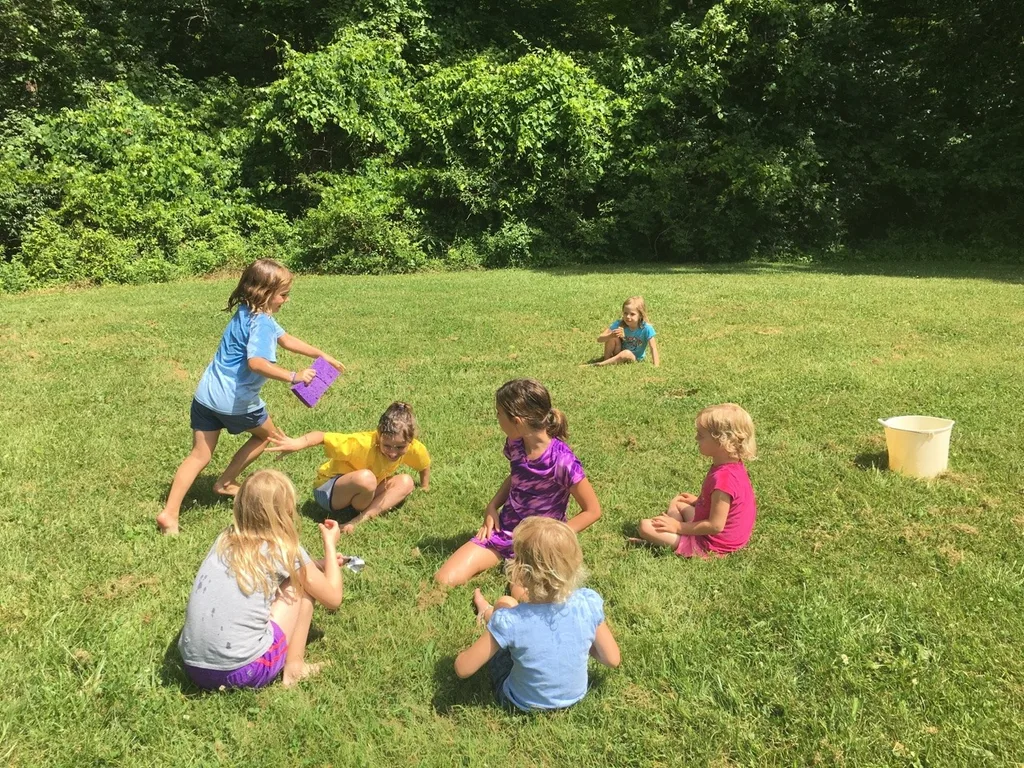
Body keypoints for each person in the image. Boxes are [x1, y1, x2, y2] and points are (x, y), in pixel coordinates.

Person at [157, 259, 344, 535]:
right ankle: (225, 482)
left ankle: (169, 513)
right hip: (235, 401)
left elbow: (286, 339)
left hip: (206, 396)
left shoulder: (249, 312)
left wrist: (319, 354)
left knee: (199, 455)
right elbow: (257, 362)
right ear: (264, 293)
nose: (286, 300)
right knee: (266, 435)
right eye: (283, 294)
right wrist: (295, 376)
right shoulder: (262, 324)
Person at [178, 469, 344, 689]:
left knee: (298, 575)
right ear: (285, 512)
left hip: (193, 667)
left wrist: (315, 564)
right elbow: (333, 598)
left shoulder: (225, 538)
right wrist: (330, 546)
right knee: (300, 583)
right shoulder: (285, 549)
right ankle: (295, 669)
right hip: (243, 671)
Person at [435, 379, 600, 588]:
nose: (496, 418)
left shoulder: (562, 461)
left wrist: (552, 539)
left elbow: (592, 510)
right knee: (444, 579)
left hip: (537, 544)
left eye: (499, 414)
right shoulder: (516, 443)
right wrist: (492, 506)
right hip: (504, 532)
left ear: (517, 421)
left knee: (523, 596)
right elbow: (516, 476)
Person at [454, 517, 621, 711]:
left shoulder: (511, 621)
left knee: (505, 604)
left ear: (520, 572)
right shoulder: (587, 603)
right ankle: (492, 612)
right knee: (509, 606)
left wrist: (457, 657)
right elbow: (612, 659)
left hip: (519, 701)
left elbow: (463, 669)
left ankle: (487, 612)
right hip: (575, 697)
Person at [268, 402, 430, 534]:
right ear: (379, 435)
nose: (393, 453)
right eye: (387, 446)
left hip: (366, 490)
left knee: (406, 481)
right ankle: (362, 505)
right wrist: (297, 443)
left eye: (400, 447)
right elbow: (322, 437)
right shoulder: (360, 443)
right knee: (366, 478)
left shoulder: (413, 447)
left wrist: (424, 486)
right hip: (329, 491)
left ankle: (359, 520)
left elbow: (423, 465)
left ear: (410, 441)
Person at [634, 403, 757, 557]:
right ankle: (672, 534)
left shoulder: (724, 480)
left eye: (701, 435)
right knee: (679, 503)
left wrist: (678, 526)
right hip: (726, 536)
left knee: (645, 526)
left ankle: (678, 540)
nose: (696, 438)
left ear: (722, 441)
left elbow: (715, 526)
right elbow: (728, 505)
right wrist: (700, 500)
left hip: (714, 544)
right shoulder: (731, 466)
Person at [592, 296, 660, 366]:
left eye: (632, 314)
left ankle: (600, 364)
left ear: (640, 315)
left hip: (634, 357)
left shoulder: (646, 328)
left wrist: (656, 366)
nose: (628, 316)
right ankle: (606, 360)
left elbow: (653, 347)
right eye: (625, 313)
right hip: (619, 352)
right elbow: (599, 339)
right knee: (612, 338)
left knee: (626, 353)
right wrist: (611, 335)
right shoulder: (620, 324)